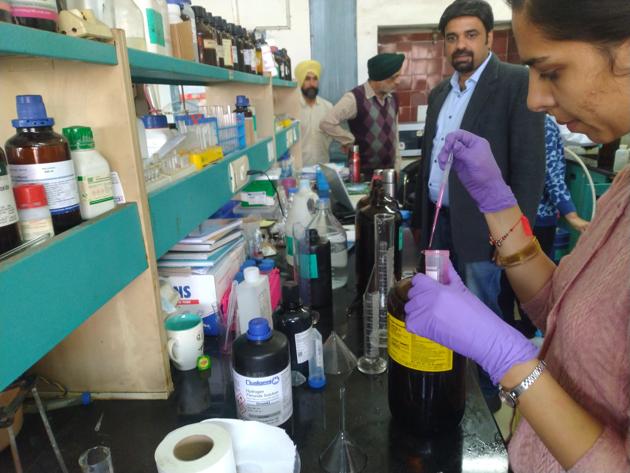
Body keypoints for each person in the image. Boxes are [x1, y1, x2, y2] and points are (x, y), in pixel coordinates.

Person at [404, 0, 630, 471]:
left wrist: (506, 356)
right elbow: (568, 306)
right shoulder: (624, 189)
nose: (535, 99)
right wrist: (496, 202)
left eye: (550, 71)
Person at [411, 0, 545, 410]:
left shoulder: (515, 83)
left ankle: (485, 406)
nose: (460, 45)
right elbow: (430, 161)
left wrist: (508, 239)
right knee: (442, 314)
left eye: (470, 35)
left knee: (483, 318)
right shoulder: (439, 93)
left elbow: (528, 169)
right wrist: (420, 223)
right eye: (452, 37)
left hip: (484, 229)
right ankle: (450, 391)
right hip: (439, 223)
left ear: (490, 37)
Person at [499, 115, 589, 337]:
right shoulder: (543, 124)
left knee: (505, 283)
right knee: (533, 288)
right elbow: (553, 175)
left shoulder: (507, 121)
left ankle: (508, 336)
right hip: (537, 219)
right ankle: (531, 337)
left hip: (506, 220)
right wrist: (572, 215)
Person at [319, 52, 404, 178]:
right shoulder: (355, 98)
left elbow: (394, 134)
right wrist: (349, 140)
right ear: (379, 77)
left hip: (388, 175)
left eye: (399, 76)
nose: (398, 82)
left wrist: (397, 168)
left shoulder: (393, 99)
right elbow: (327, 123)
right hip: (363, 175)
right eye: (393, 77)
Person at [294, 60, 333, 168]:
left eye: (315, 79)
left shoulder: (328, 107)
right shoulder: (292, 109)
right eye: (307, 79)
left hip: (323, 169)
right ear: (300, 81)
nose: (312, 84)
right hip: (298, 171)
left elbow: (332, 136)